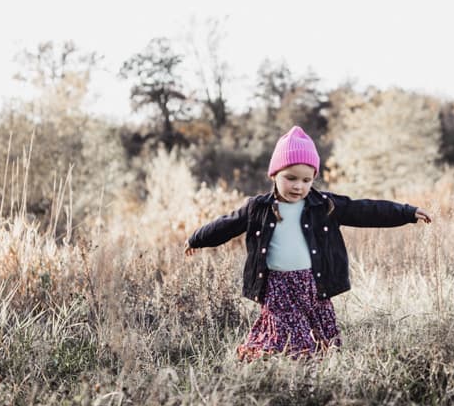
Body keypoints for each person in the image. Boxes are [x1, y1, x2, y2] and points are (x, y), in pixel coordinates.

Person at [184, 125, 432, 360]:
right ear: (275, 175)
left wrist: (406, 213)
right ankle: (283, 373)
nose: (298, 186)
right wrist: (197, 239)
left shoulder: (325, 205)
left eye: (306, 180)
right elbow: (227, 224)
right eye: (290, 178)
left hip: (314, 284)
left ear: (314, 177)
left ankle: (314, 376)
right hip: (277, 287)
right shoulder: (258, 208)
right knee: (293, 343)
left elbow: (366, 210)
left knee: (323, 345)